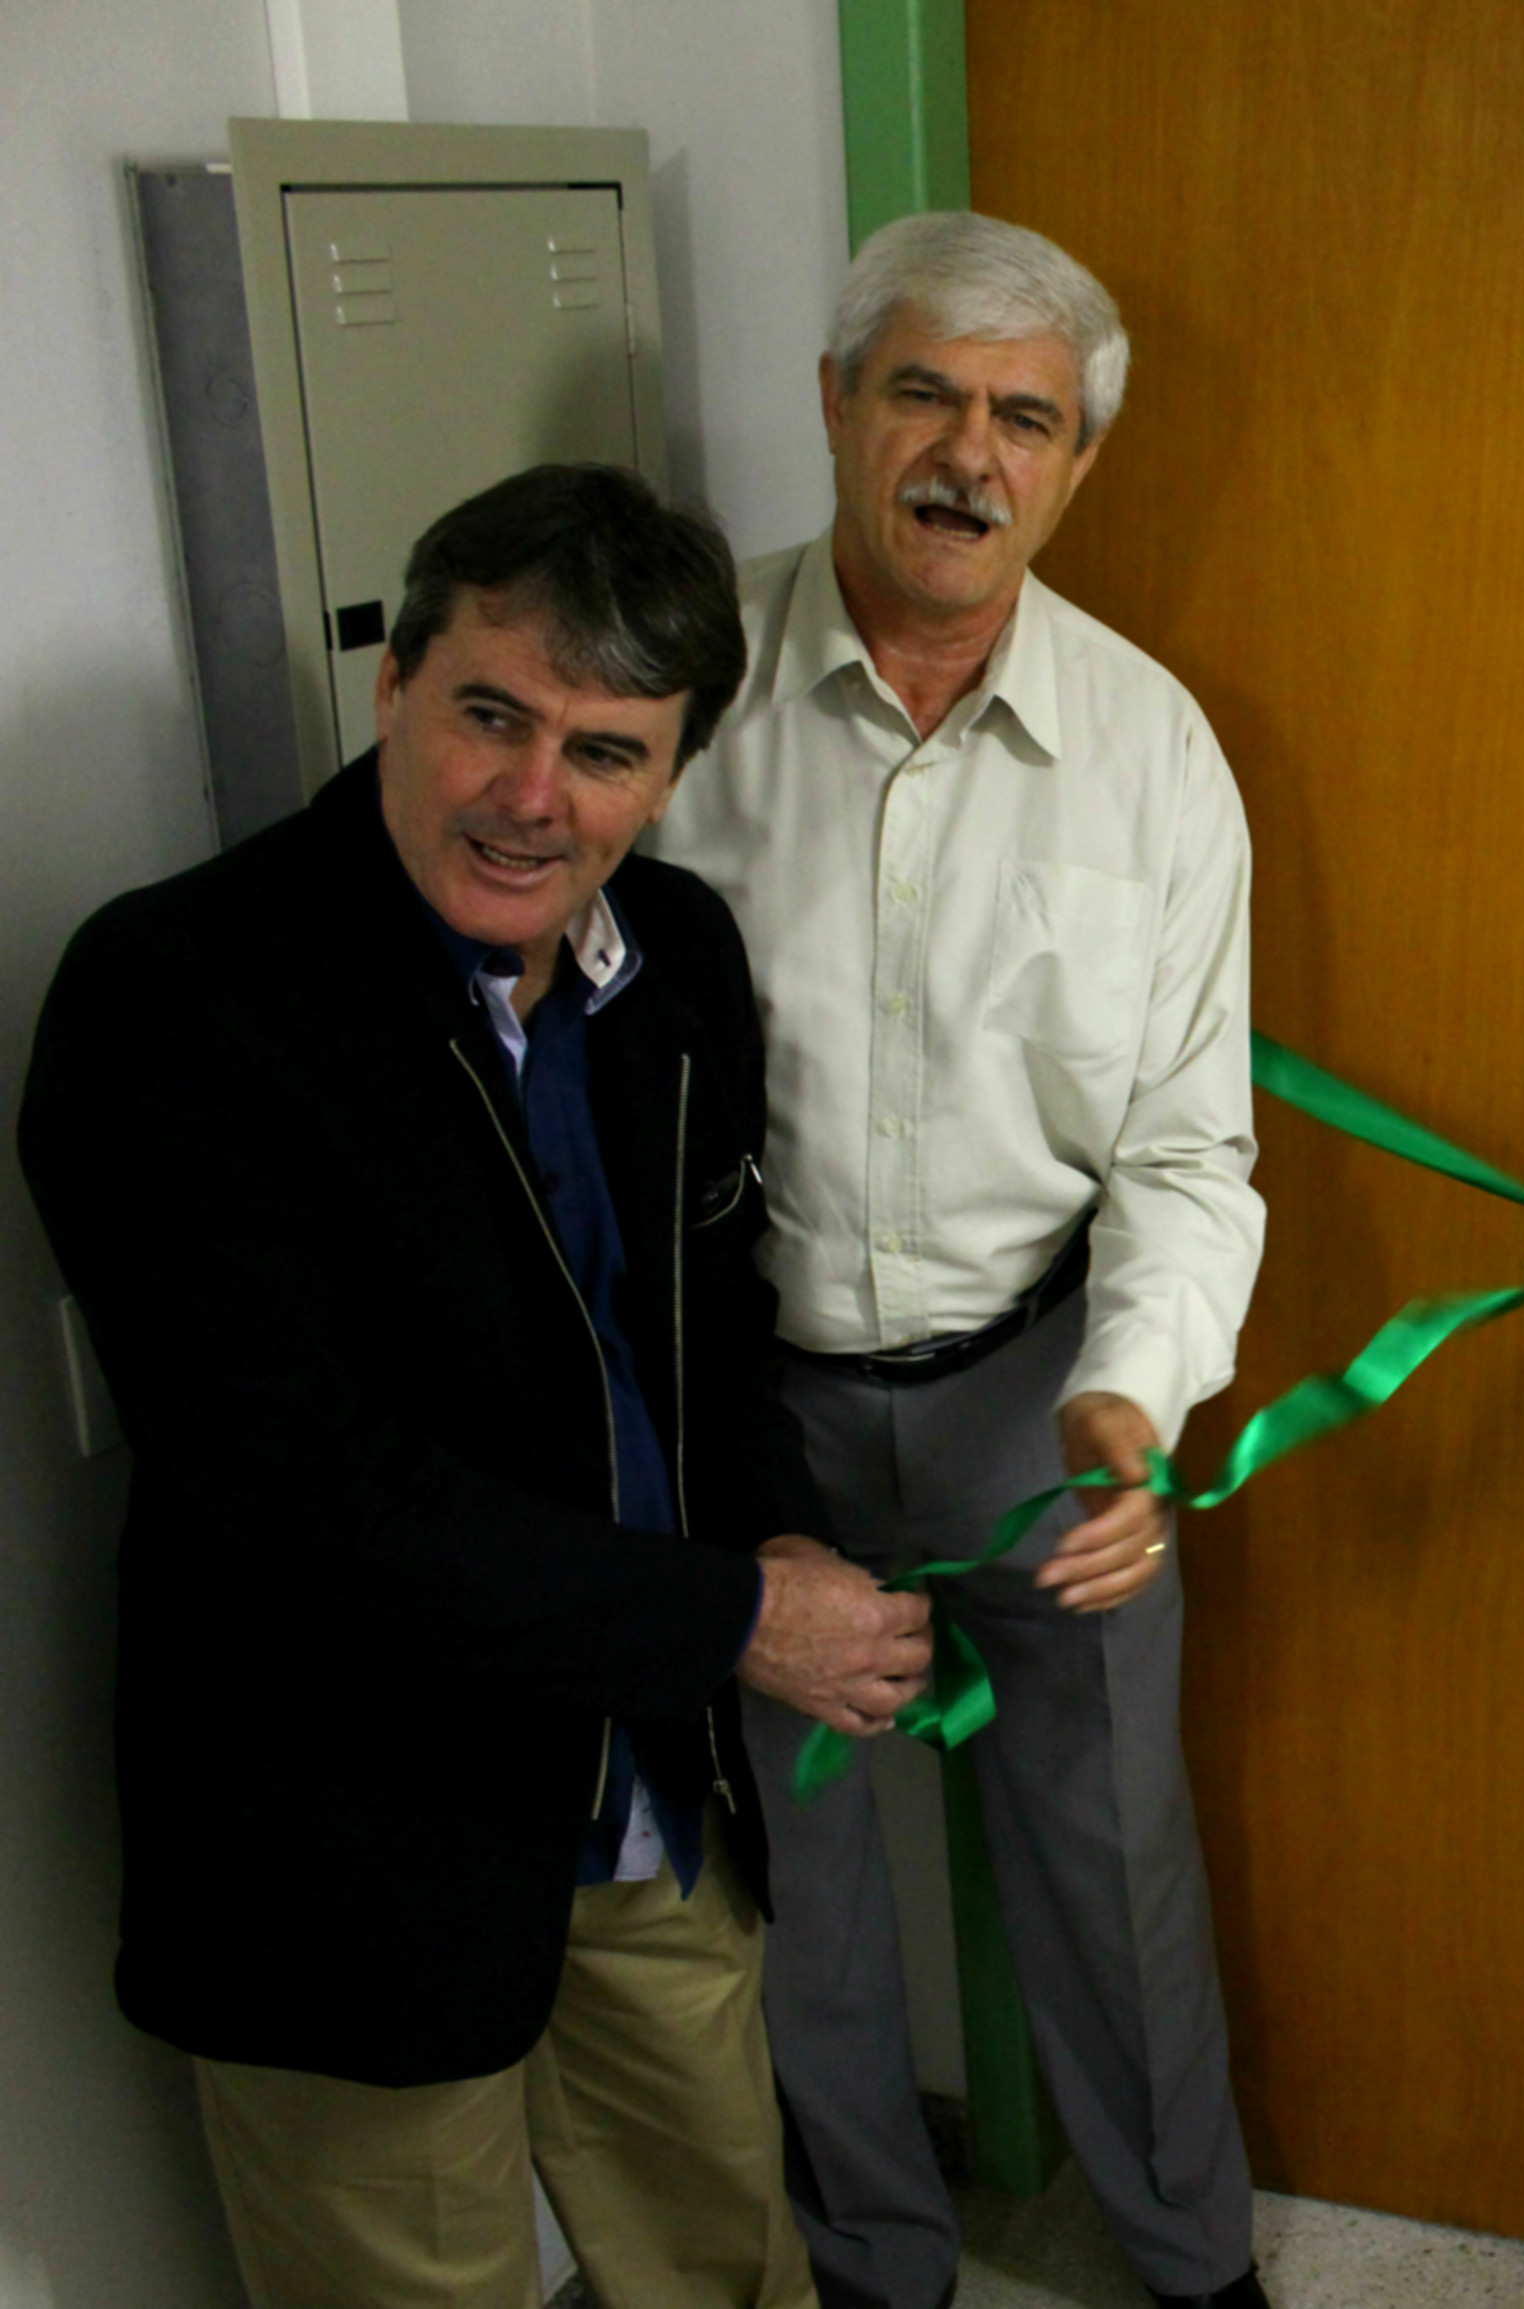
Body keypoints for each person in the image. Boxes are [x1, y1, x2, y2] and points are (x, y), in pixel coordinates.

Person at [17, 463, 937, 2309]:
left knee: (728, 2268)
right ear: (394, 684)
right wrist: (738, 1615)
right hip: (356, 1852)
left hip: (643, 1808)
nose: (532, 797)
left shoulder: (676, 958)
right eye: (491, 715)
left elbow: (707, 1327)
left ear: (670, 773)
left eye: (604, 752)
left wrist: (775, 1535)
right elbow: (310, 1503)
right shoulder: (174, 995)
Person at [651, 211, 1267, 2309]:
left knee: (1116, 1867)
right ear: (835, 403)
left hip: (1044, 1394)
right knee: (795, 1882)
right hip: (746, 1402)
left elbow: (1188, 1144)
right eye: (922, 392)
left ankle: (1193, 2263)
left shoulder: (1154, 750)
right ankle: (870, 2269)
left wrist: (1133, 1401)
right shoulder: (684, 697)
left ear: (1077, 463)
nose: (966, 456)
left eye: (1025, 417)